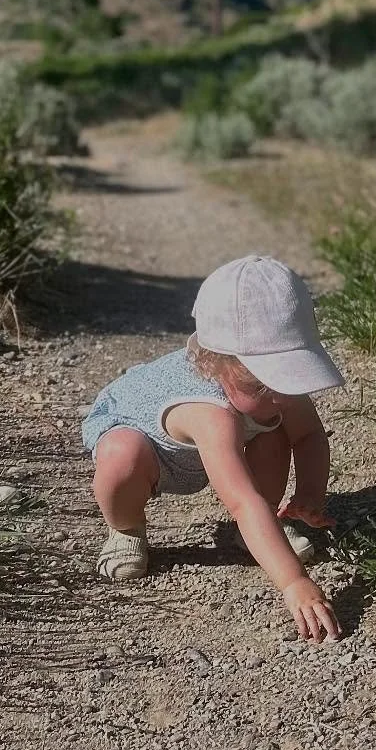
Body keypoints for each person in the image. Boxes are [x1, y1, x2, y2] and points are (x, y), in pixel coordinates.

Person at [81, 254, 344, 642]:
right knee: (122, 455)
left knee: (274, 429)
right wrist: (294, 583)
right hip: (147, 444)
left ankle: (257, 534)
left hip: (228, 435)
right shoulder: (211, 413)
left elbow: (309, 437)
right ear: (215, 364)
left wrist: (309, 493)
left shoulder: (274, 396)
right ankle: (126, 529)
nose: (280, 397)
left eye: (286, 379)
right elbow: (241, 503)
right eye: (261, 385)